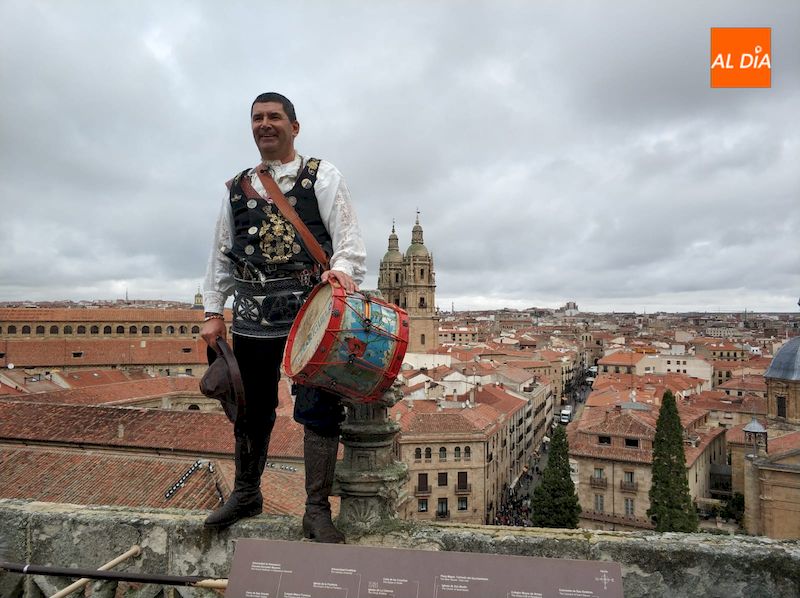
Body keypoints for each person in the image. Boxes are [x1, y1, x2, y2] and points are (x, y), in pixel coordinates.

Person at [201, 92, 366, 543]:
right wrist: (214, 311)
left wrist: (343, 270)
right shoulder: (235, 188)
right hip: (252, 316)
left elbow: (349, 241)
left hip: (311, 315)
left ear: (295, 126)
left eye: (274, 117)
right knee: (252, 409)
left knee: (318, 409)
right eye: (257, 118)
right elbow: (221, 253)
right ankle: (247, 492)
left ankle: (315, 509)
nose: (265, 124)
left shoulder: (322, 176)